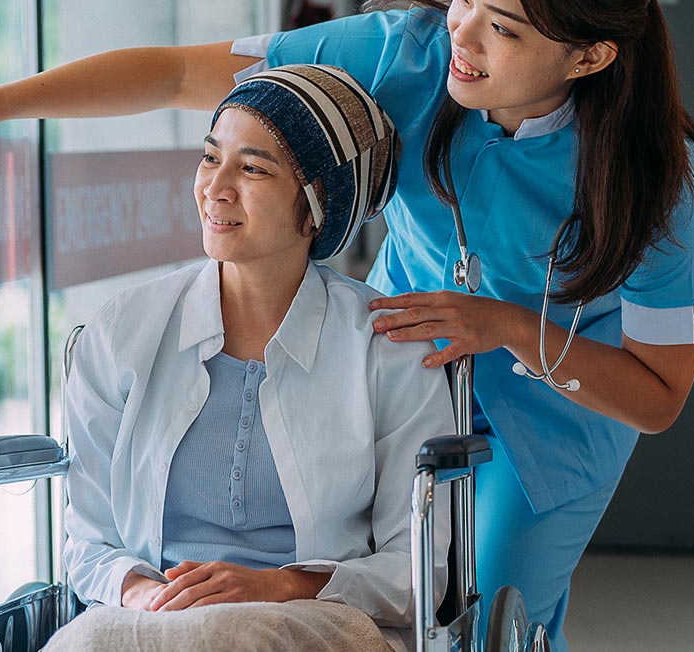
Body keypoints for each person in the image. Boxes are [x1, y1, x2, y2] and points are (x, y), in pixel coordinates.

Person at [0, 0, 694, 651]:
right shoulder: (402, 54)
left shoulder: (651, 177)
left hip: (552, 418)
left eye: (504, 28)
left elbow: (659, 394)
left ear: (590, 55)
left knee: (472, 606)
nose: (462, 36)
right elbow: (174, 74)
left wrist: (500, 326)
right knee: (352, 581)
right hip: (400, 365)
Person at [47, 64, 452, 652]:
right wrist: (144, 595)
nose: (216, 187)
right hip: (151, 617)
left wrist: (278, 585)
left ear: (315, 209)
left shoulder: (385, 347)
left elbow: (415, 569)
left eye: (253, 168)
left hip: (320, 620)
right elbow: (87, 541)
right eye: (211, 158)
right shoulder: (122, 332)